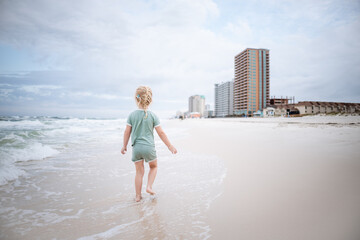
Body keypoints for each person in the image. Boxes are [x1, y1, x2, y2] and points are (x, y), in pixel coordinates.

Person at [121, 86, 177, 202]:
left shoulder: (132, 115)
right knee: (154, 166)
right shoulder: (153, 115)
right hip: (149, 148)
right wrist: (170, 146)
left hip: (136, 148)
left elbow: (127, 132)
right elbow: (161, 132)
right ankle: (149, 186)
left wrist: (124, 145)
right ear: (150, 100)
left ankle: (137, 196)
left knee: (139, 172)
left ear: (136, 99)